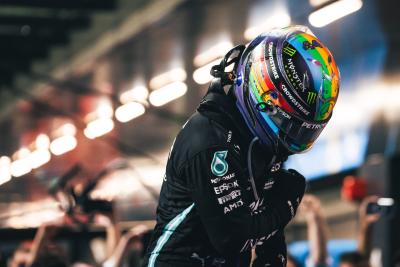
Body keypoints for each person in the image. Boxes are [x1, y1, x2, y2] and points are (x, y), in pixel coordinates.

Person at [142, 25, 340, 267]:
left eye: (302, 130)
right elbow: (232, 237)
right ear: (264, 95)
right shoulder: (207, 139)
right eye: (290, 125)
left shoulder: (261, 145)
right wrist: (286, 207)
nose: (291, 139)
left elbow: (268, 234)